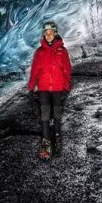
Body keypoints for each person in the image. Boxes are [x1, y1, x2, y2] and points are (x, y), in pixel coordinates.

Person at [27, 21, 72, 160]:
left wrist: (67, 86)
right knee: (45, 115)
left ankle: (57, 136)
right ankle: (46, 142)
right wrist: (31, 87)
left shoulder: (62, 51)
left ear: (55, 33)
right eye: (46, 33)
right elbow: (35, 70)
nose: (49, 35)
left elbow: (67, 69)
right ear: (44, 35)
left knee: (57, 113)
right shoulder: (39, 52)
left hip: (58, 87)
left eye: (51, 33)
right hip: (44, 87)